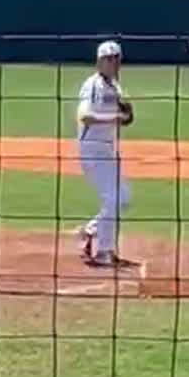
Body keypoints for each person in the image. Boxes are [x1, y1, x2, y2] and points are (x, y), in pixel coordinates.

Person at [75, 39, 135, 269]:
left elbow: (123, 114)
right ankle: (104, 252)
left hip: (108, 148)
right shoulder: (92, 85)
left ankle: (91, 230)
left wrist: (126, 115)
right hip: (91, 148)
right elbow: (85, 116)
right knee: (114, 198)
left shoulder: (116, 86)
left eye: (116, 59)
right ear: (99, 61)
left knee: (124, 197)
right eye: (108, 59)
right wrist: (115, 118)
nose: (113, 63)